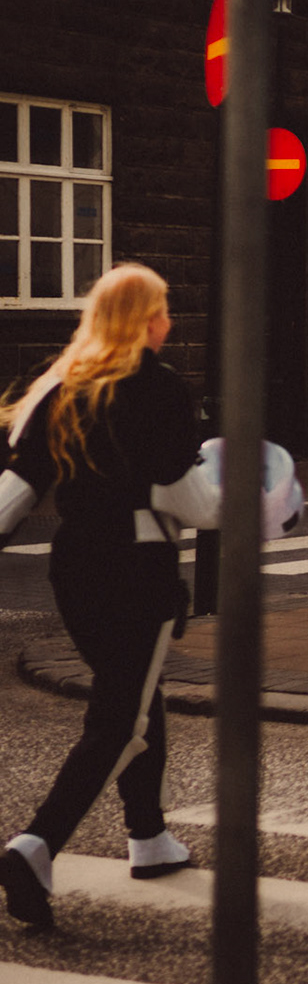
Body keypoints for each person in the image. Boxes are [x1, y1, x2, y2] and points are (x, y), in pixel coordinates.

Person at [0, 264, 210, 929]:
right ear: (146, 318)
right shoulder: (159, 386)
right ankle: (36, 843)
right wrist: (260, 502)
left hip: (75, 566)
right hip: (139, 568)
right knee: (121, 720)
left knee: (136, 695)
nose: (169, 323)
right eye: (164, 310)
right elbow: (189, 497)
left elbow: (20, 484)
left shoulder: (61, 383)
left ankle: (148, 836)